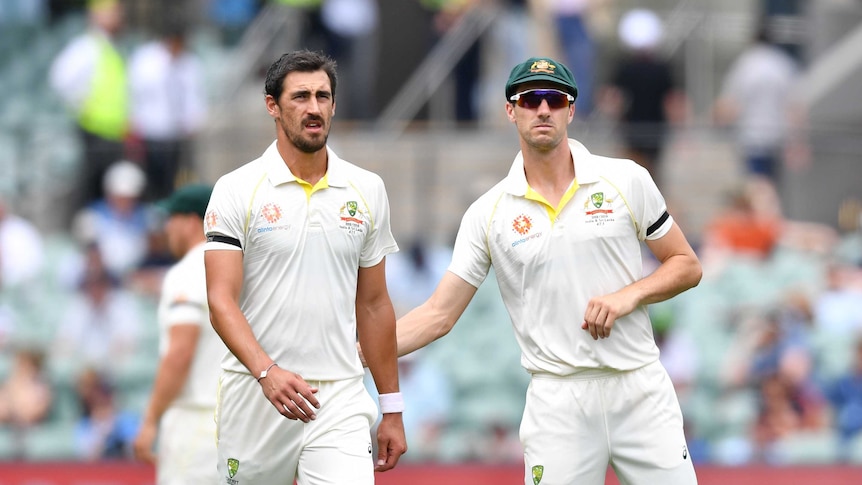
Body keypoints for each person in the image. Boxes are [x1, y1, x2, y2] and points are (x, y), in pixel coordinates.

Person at [387, 56, 702, 484]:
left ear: (570, 110)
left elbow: (686, 264)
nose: (543, 110)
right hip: (558, 400)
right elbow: (438, 315)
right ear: (510, 110)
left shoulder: (625, 179)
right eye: (530, 99)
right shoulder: (488, 212)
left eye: (554, 100)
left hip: (640, 388)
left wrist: (628, 295)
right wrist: (354, 354)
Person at [203, 50, 406, 484]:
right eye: (300, 97)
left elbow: (373, 305)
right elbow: (221, 301)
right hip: (256, 392)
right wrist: (267, 371)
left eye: (323, 96)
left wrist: (391, 407)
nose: (314, 108)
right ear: (272, 106)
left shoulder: (367, 189)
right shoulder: (236, 189)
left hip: (339, 397)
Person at [132, 184, 225, 483]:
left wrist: (149, 420)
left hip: (197, 422)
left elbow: (180, 353)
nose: (167, 229)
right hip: (242, 421)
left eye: (171, 219)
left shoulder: (187, 272)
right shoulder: (241, 269)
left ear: (190, 221)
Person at [48, 0, 129, 214]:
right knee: (92, 190)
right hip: (95, 131)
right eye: (113, 12)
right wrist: (81, 104)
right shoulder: (88, 47)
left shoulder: (109, 47)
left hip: (112, 132)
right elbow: (60, 77)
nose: (119, 17)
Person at [127, 22, 208, 202]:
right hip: (152, 131)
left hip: (177, 134)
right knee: (153, 179)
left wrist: (194, 121)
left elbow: (195, 95)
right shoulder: (146, 60)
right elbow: (136, 92)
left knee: (178, 179)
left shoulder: (189, 63)